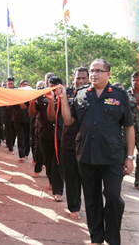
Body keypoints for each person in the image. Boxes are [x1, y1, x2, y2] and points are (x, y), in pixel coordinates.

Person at [59, 59, 135, 245]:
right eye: (92, 70)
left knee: (113, 197)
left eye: (99, 71)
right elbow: (69, 121)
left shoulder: (119, 95)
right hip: (86, 155)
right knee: (92, 200)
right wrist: (62, 99)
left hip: (112, 157)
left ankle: (112, 237)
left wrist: (130, 157)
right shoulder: (81, 94)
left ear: (108, 74)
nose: (94, 74)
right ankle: (96, 238)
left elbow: (129, 127)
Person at [52, 67, 89, 220]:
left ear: (88, 79)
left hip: (88, 142)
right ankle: (74, 206)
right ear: (73, 78)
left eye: (83, 78)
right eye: (78, 78)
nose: (80, 81)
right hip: (68, 140)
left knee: (87, 177)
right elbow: (55, 111)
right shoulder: (65, 93)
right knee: (71, 175)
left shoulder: (94, 93)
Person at [29, 76, 64, 202]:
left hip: (61, 134)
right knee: (48, 161)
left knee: (58, 162)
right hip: (45, 133)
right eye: (50, 86)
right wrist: (32, 101)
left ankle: (58, 190)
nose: (52, 89)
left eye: (55, 87)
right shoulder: (41, 95)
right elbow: (32, 114)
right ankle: (51, 180)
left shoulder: (65, 96)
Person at [13, 79, 31, 161]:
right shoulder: (16, 96)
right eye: (24, 84)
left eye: (26, 84)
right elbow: (17, 107)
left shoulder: (30, 95)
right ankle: (21, 155)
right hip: (18, 119)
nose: (25, 86)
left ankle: (27, 152)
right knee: (20, 137)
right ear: (20, 86)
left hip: (28, 119)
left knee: (27, 137)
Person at [4, 77, 16, 155]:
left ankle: (11, 143)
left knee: (14, 131)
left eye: (11, 83)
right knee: (8, 130)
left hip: (15, 114)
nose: (10, 85)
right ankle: (10, 148)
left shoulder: (16, 91)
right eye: (9, 84)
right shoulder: (4, 91)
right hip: (6, 114)